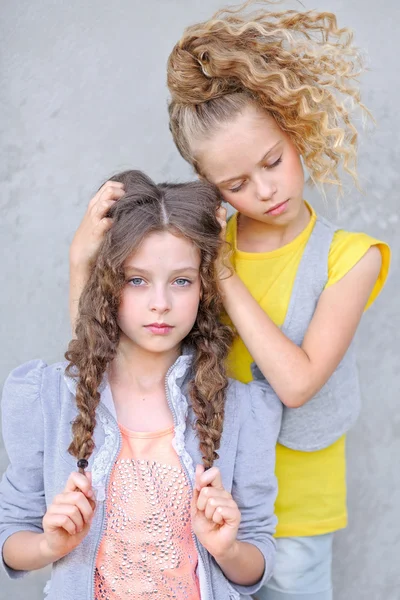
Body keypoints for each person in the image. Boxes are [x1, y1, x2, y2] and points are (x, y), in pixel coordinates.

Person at [165, 3, 391, 600]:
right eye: (235, 185)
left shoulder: (353, 257)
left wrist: (226, 276)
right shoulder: (197, 252)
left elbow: (296, 382)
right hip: (206, 508)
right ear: (209, 185)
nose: (264, 191)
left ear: (295, 130)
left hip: (297, 516)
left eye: (272, 162)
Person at [0, 170, 282, 600]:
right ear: (107, 282)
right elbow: (11, 536)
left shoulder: (243, 408)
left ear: (205, 287)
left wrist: (227, 549)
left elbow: (257, 557)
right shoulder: (46, 397)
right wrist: (48, 545)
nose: (160, 303)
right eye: (137, 280)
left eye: (181, 281)